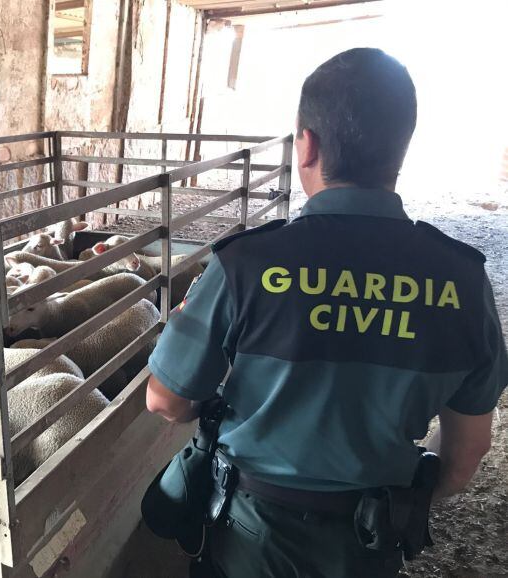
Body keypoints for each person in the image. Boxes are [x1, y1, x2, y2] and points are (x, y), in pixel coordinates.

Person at [146, 47, 508, 578]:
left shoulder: (247, 263)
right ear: (401, 150)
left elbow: (165, 400)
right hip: (367, 544)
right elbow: (468, 452)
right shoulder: (463, 281)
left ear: (306, 145)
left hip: (252, 539)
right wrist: (403, 494)